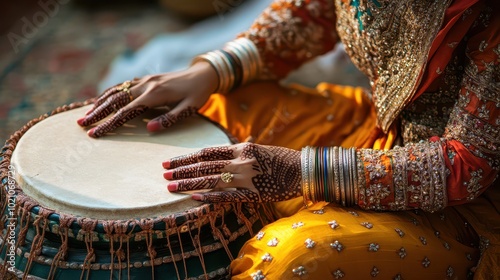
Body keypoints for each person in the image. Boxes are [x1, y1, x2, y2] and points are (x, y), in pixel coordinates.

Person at [77, 0, 499, 279]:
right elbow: (310, 15)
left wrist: (299, 170)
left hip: (460, 204)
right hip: (379, 131)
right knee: (209, 105)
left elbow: (469, 163)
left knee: (291, 260)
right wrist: (209, 72)